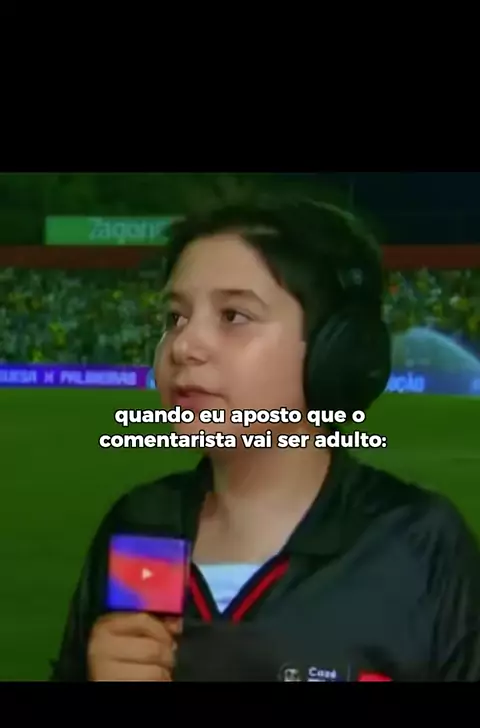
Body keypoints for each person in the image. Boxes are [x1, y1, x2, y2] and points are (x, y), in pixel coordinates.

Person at [50, 198, 480, 682]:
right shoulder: (138, 524)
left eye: (234, 316)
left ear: (337, 350)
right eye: (174, 318)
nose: (184, 346)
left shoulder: (419, 544)